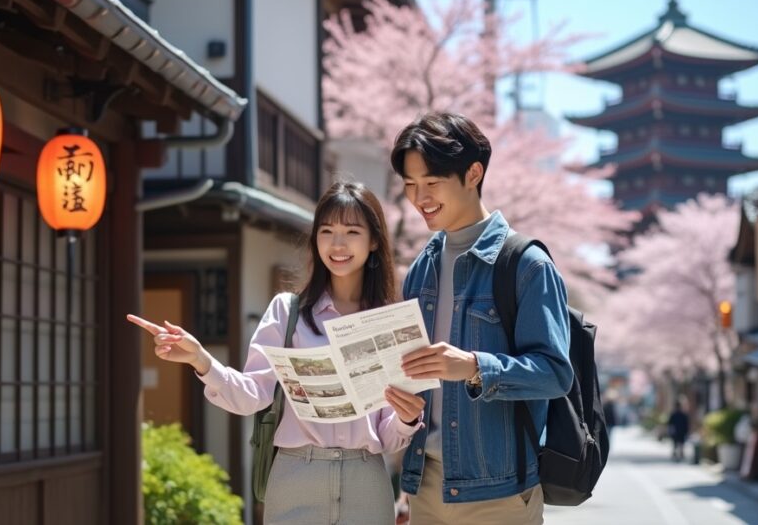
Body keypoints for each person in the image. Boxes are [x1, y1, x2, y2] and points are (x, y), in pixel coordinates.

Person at [127, 181, 426, 524]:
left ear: (373, 241)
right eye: (326, 231)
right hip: (296, 474)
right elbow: (253, 395)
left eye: (352, 231)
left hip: (366, 481)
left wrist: (405, 419)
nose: (337, 244)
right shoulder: (288, 312)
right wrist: (201, 359)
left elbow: (388, 439)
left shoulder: (387, 321)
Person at [391, 112, 573, 525]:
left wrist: (475, 367)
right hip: (426, 487)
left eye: (431, 183)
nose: (420, 198)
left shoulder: (526, 265)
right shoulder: (421, 269)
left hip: (500, 494)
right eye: (410, 186)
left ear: (473, 173)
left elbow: (555, 374)